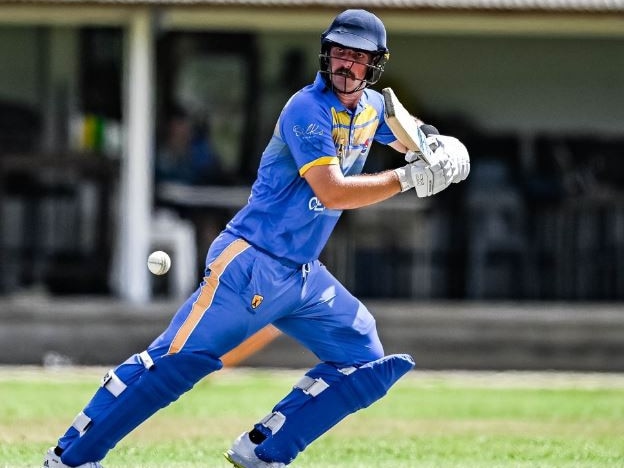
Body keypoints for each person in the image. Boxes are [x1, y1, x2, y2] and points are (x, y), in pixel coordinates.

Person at [43, 9, 469, 468]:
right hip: (250, 265)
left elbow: (409, 137)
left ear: (374, 65)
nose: (346, 65)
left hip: (303, 274)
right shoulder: (307, 108)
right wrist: (408, 179)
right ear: (326, 56)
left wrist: (438, 144)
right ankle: (69, 458)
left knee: (362, 357)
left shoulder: (369, 109)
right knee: (173, 364)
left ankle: (265, 451)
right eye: (339, 53)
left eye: (358, 57)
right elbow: (332, 191)